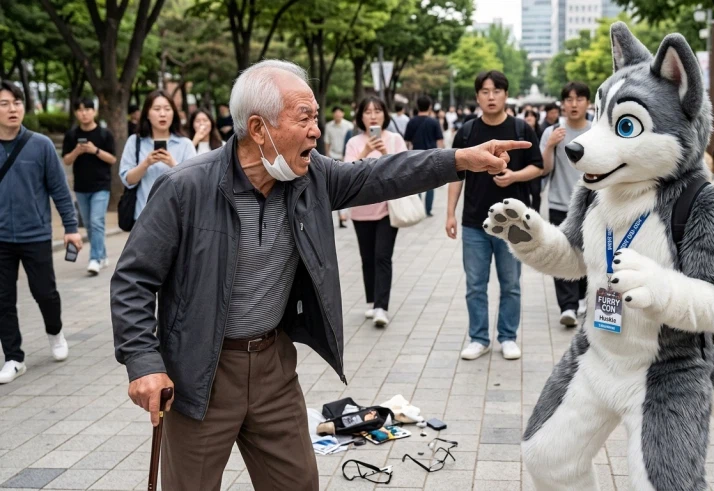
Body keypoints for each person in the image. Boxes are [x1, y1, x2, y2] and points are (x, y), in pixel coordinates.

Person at [110, 60, 524, 490]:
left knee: (298, 483)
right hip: (200, 372)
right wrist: (144, 364)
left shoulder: (310, 178)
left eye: (316, 117)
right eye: (303, 117)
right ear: (258, 128)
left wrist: (460, 159)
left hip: (273, 367)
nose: (315, 130)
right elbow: (133, 279)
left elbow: (381, 174)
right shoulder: (185, 188)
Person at [447, 70, 543, 361]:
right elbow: (455, 175)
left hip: (513, 224)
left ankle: (508, 337)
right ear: (477, 97)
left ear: (505, 94)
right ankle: (479, 338)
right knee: (475, 284)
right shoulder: (466, 132)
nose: (491, 96)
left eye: (497, 91)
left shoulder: (520, 129)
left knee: (511, 284)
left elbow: (538, 167)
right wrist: (449, 213)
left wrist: (514, 176)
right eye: (485, 91)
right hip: (475, 222)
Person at [0, 81, 82, 384]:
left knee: (45, 293)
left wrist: (71, 228)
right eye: (5, 103)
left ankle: (55, 331)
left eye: (17, 102)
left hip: (34, 234)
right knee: (3, 299)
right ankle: (13, 357)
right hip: (1, 239)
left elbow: (60, 190)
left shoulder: (40, 145)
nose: (13, 108)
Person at [344, 96, 408, 327]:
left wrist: (383, 154)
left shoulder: (395, 139)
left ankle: (381, 306)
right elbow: (347, 174)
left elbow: (403, 171)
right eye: (368, 111)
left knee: (382, 256)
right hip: (361, 210)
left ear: (385, 115)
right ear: (361, 116)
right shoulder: (353, 143)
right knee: (367, 258)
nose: (373, 115)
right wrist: (366, 150)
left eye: (378, 110)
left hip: (387, 209)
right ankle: (372, 301)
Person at [539, 82, 592, 327]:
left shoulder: (596, 131)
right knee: (562, 254)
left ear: (587, 103)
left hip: (592, 204)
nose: (573, 104)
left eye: (579, 99)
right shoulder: (553, 132)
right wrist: (550, 144)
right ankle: (568, 306)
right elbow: (544, 169)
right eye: (568, 99)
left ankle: (582, 297)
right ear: (562, 104)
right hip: (560, 202)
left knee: (589, 254)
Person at [119, 90, 196, 222]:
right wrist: (146, 163)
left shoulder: (185, 144)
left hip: (176, 219)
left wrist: (173, 164)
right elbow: (127, 180)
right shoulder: (135, 141)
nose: (162, 114)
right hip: (143, 218)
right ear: (147, 114)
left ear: (173, 114)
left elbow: (194, 182)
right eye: (156, 109)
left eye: (167, 109)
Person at [62, 98, 117, 275]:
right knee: (89, 225)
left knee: (96, 221)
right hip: (81, 187)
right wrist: (77, 151)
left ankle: (94, 259)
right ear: (76, 113)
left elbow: (113, 159)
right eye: (80, 110)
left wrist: (95, 151)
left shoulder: (104, 134)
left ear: (94, 112)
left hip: (101, 185)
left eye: (87, 109)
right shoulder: (71, 135)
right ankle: (103, 254)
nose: (84, 113)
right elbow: (66, 160)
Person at [405, 96, 444, 216]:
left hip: (415, 155)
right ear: (430, 107)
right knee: (431, 184)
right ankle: (428, 210)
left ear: (417, 106)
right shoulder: (434, 122)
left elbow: (407, 141)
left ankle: (418, 209)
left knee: (417, 184)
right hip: (431, 155)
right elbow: (440, 141)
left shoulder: (411, 121)